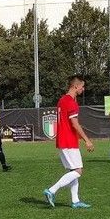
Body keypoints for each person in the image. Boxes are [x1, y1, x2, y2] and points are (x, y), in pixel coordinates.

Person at [43, 75, 95, 209]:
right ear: (76, 86)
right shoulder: (71, 102)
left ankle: (75, 201)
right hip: (69, 140)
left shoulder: (62, 100)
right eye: (82, 86)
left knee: (73, 170)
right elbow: (75, 124)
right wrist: (87, 140)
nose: (83, 89)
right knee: (78, 171)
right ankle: (51, 190)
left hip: (63, 140)